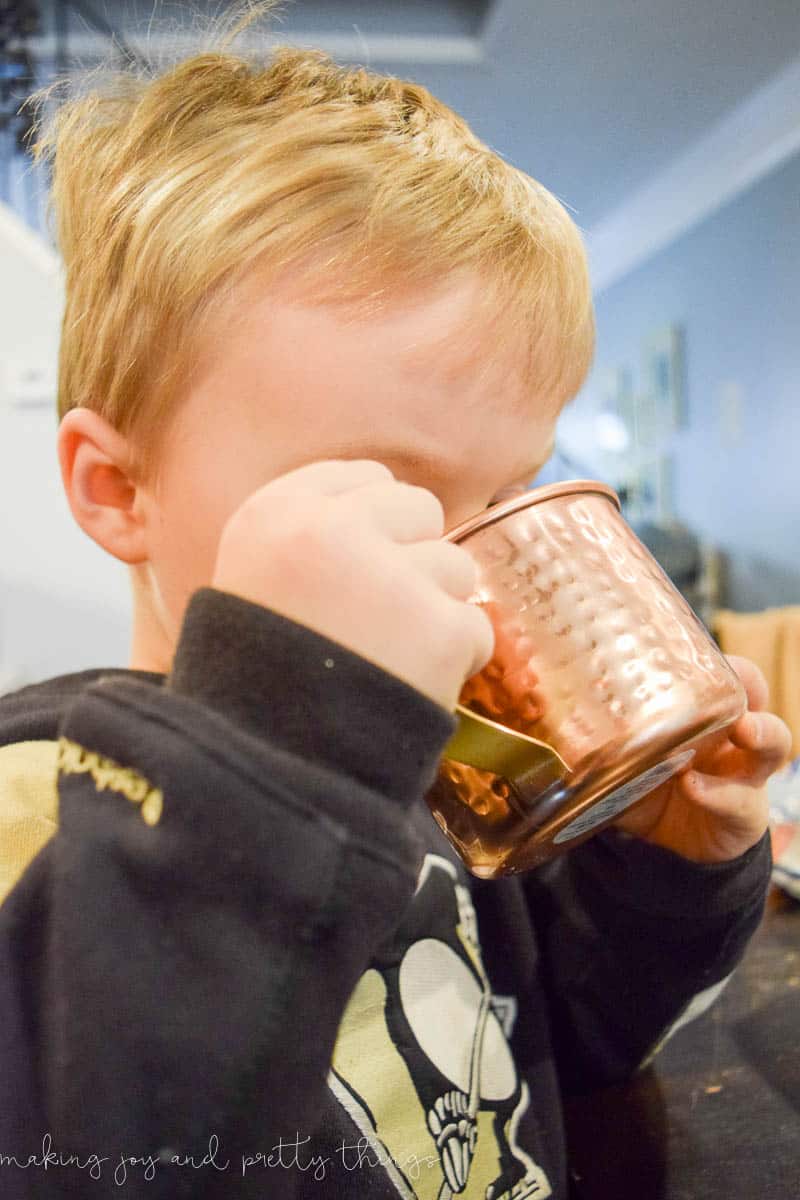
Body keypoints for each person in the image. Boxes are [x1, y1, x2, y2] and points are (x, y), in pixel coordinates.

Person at [0, 5, 791, 1197]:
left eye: (507, 492)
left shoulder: (423, 773)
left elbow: (550, 1048)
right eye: (387, 492)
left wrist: (661, 872)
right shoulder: (45, 810)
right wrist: (287, 742)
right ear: (119, 490)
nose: (467, 575)